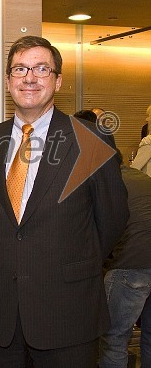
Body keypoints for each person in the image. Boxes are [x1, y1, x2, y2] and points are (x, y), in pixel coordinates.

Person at [0, 35, 129, 367]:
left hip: (67, 312)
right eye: (20, 69)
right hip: (1, 313)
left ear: (58, 80)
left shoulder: (90, 138)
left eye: (42, 68)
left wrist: (68, 260)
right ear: (9, 80)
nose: (30, 77)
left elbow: (111, 219)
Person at [99, 150, 151, 368]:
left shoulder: (109, 184)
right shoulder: (142, 177)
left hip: (131, 265)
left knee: (113, 339)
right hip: (143, 260)